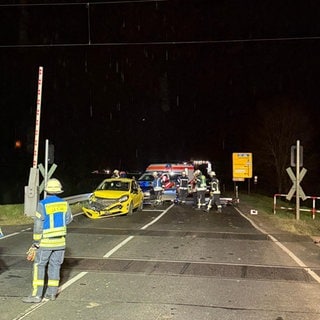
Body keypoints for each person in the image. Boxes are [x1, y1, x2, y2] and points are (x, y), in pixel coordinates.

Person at [22, 178, 73, 303]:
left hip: (45, 242)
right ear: (58, 191)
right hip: (60, 243)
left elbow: (38, 226)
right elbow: (69, 219)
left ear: (47, 190)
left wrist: (36, 242)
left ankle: (36, 296)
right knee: (55, 267)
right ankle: (51, 294)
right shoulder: (64, 204)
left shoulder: (42, 205)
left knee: (39, 266)